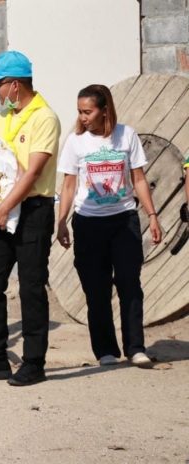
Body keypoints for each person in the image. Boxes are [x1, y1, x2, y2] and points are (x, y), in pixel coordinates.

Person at [0, 51, 61, 386]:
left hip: (33, 211)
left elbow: (33, 173)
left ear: (14, 85)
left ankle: (34, 362)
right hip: (2, 211)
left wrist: (5, 208)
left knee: (31, 286)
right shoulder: (4, 117)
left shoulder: (44, 117)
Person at [56, 84, 161, 367]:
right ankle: (105, 350)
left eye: (87, 111)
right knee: (96, 289)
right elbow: (68, 186)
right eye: (79, 111)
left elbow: (138, 178)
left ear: (105, 111)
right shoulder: (76, 143)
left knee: (130, 284)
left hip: (124, 220)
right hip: (88, 224)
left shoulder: (126, 135)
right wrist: (61, 222)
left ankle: (136, 348)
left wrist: (151, 215)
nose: (82, 117)